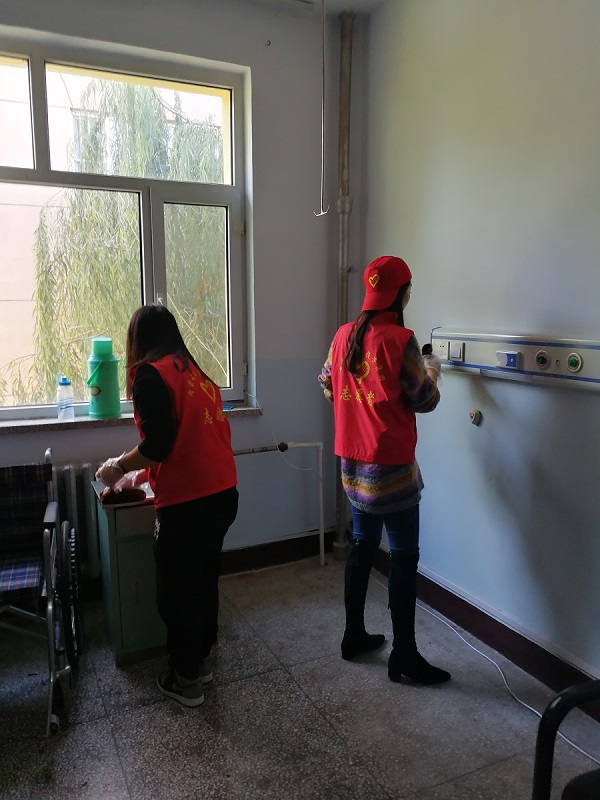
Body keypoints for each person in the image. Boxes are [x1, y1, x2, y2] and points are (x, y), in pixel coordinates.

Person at [96, 305, 238, 707]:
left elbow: (158, 444)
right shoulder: (197, 375)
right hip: (223, 493)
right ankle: (202, 660)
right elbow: (186, 442)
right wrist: (139, 475)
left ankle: (185, 678)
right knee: (204, 579)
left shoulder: (149, 375)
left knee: (176, 591)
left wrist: (118, 467)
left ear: (137, 341)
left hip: (187, 504)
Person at [318, 255, 450, 685]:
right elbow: (424, 399)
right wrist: (432, 370)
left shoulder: (343, 335)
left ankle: (353, 635)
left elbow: (327, 384)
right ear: (403, 294)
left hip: (354, 469)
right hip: (391, 473)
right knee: (404, 557)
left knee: (362, 545)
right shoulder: (401, 340)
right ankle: (405, 655)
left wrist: (356, 399)